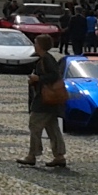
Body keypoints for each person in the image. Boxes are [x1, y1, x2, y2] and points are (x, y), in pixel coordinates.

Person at [18, 35, 66, 169]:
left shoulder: (46, 59)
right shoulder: (44, 58)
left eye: (36, 43)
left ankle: (32, 155)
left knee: (34, 125)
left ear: (41, 45)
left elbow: (54, 75)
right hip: (50, 100)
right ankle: (59, 156)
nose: (34, 45)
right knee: (52, 128)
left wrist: (38, 78)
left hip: (45, 100)